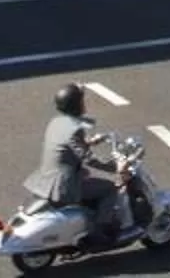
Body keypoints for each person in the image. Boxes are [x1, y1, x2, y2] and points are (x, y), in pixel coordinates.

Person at [24, 84, 125, 236]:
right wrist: (117, 167)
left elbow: (65, 145)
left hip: (47, 178)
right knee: (110, 189)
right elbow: (88, 159)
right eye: (81, 100)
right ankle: (100, 230)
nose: (84, 103)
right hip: (64, 186)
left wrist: (89, 142)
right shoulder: (75, 129)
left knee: (87, 176)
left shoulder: (56, 122)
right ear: (76, 105)